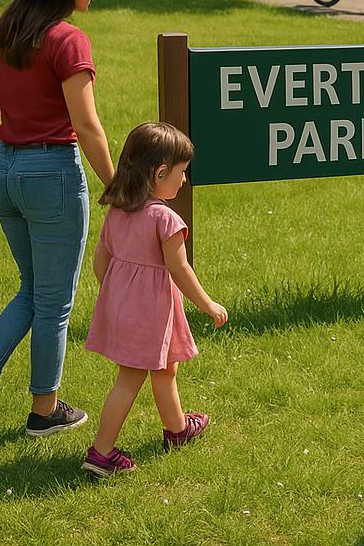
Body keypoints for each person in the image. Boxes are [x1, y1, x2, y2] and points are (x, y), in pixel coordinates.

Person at [0, 0, 121, 437]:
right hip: (52, 177)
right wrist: (117, 186)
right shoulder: (68, 40)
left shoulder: (6, 33)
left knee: (33, 288)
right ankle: (44, 411)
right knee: (54, 301)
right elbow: (87, 126)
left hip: (6, 173)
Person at [81, 122, 228, 477]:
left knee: (166, 366)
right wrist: (208, 304)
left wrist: (119, 296)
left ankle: (177, 429)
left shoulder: (118, 210)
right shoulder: (165, 218)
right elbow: (180, 269)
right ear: (160, 173)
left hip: (129, 310)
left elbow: (101, 260)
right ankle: (101, 452)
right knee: (129, 379)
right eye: (182, 172)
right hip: (150, 314)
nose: (184, 180)